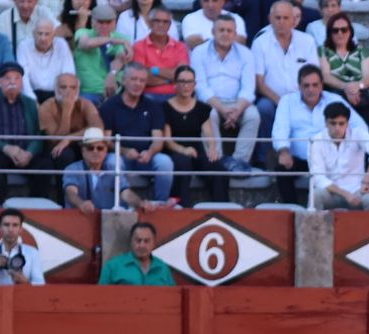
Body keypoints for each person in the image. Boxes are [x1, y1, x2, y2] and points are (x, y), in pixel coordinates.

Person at [271, 62, 369, 199]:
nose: (311, 89)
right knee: (281, 168)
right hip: (300, 160)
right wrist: (284, 151)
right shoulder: (287, 101)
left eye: (315, 85)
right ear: (299, 86)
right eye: (306, 85)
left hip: (330, 159)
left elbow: (360, 126)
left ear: (322, 85)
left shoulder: (334, 100)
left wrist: (344, 144)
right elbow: (280, 128)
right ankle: (293, 208)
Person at [192, 13, 257, 172]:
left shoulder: (246, 54)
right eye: (221, 30)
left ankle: (239, 162)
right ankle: (217, 160)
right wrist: (223, 109)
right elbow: (201, 87)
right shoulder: (199, 52)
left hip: (237, 103)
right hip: (210, 102)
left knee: (253, 116)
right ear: (213, 32)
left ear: (235, 34)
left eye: (229, 31)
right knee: (208, 114)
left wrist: (237, 111)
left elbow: (248, 88)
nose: (225, 34)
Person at [99, 61, 173, 200]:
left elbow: (158, 140)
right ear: (123, 80)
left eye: (142, 80)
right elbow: (106, 140)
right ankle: (124, 202)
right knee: (112, 162)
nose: (138, 84)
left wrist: (150, 152)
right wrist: (124, 151)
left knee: (164, 162)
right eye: (133, 79)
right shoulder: (109, 106)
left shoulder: (153, 106)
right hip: (120, 155)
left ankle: (161, 204)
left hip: (146, 157)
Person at [0, 62, 47, 196]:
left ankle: (37, 205)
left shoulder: (31, 104)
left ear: (22, 83)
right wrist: (6, 148)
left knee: (45, 166)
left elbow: (39, 134)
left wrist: (29, 153)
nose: (12, 82)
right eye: (7, 78)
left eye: (17, 78)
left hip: (25, 152)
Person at [252, 0, 317, 145]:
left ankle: (304, 152)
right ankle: (265, 154)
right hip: (271, 98)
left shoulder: (307, 41)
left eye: (285, 18)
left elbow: (313, 76)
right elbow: (259, 83)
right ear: (270, 19)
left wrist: (301, 99)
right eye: (278, 18)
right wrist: (281, 101)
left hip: (301, 97)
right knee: (263, 108)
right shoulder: (260, 43)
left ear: (293, 20)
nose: (281, 22)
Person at [161, 63, 218, 201]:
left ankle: (221, 206)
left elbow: (208, 133)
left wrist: (212, 148)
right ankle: (182, 206)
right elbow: (167, 140)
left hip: (196, 150)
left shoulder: (202, 108)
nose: (186, 86)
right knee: (183, 164)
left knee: (217, 168)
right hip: (175, 150)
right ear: (175, 84)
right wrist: (183, 150)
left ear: (194, 84)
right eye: (182, 81)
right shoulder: (164, 107)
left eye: (190, 82)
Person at [308, 97, 369, 207]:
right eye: (333, 123)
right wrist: (346, 194)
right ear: (326, 123)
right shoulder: (315, 141)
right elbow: (318, 178)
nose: (337, 128)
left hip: (357, 190)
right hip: (330, 192)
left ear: (347, 123)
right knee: (316, 194)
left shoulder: (358, 134)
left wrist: (366, 181)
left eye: (341, 123)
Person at [318, 12, 369, 133]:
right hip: (336, 91)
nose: (340, 33)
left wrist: (358, 86)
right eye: (335, 30)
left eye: (344, 30)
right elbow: (326, 76)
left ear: (350, 32)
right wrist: (346, 87)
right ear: (329, 33)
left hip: (360, 91)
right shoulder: (323, 51)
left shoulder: (362, 50)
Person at [62, 123, 139, 208]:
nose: (95, 151)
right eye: (90, 148)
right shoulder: (72, 169)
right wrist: (81, 204)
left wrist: (140, 203)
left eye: (100, 148)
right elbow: (70, 192)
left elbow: (125, 192)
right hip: (79, 215)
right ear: (83, 151)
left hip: (108, 216)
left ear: (106, 151)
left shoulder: (113, 169)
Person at [72, 4, 130, 107]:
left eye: (108, 22)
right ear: (92, 22)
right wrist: (112, 40)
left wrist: (112, 74)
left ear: (115, 22)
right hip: (88, 92)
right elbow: (86, 44)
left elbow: (120, 58)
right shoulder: (83, 32)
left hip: (113, 91)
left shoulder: (121, 37)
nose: (104, 26)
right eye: (100, 22)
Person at [132, 5, 188, 98]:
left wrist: (153, 70)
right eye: (157, 21)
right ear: (150, 23)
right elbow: (141, 78)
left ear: (170, 25)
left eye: (165, 22)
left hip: (176, 96)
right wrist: (170, 79)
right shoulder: (139, 46)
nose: (161, 25)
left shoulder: (180, 47)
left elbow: (182, 75)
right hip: (148, 96)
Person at [0, 206, 45, 285]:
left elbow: (40, 284)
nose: (10, 229)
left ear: (21, 229)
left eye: (15, 225)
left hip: (21, 293)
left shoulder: (32, 253)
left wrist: (25, 282)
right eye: (6, 225)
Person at [99, 218, 173, 284]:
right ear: (131, 242)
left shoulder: (162, 268)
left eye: (146, 241)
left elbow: (172, 294)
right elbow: (100, 293)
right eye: (138, 240)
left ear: (154, 243)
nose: (142, 245)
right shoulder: (113, 266)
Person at [18, 18, 72, 102]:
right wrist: (32, 101)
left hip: (56, 95)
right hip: (32, 93)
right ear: (33, 34)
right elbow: (23, 77)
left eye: (47, 34)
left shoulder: (61, 45)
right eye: (40, 33)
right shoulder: (24, 46)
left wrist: (61, 98)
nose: (43, 38)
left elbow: (68, 73)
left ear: (53, 35)